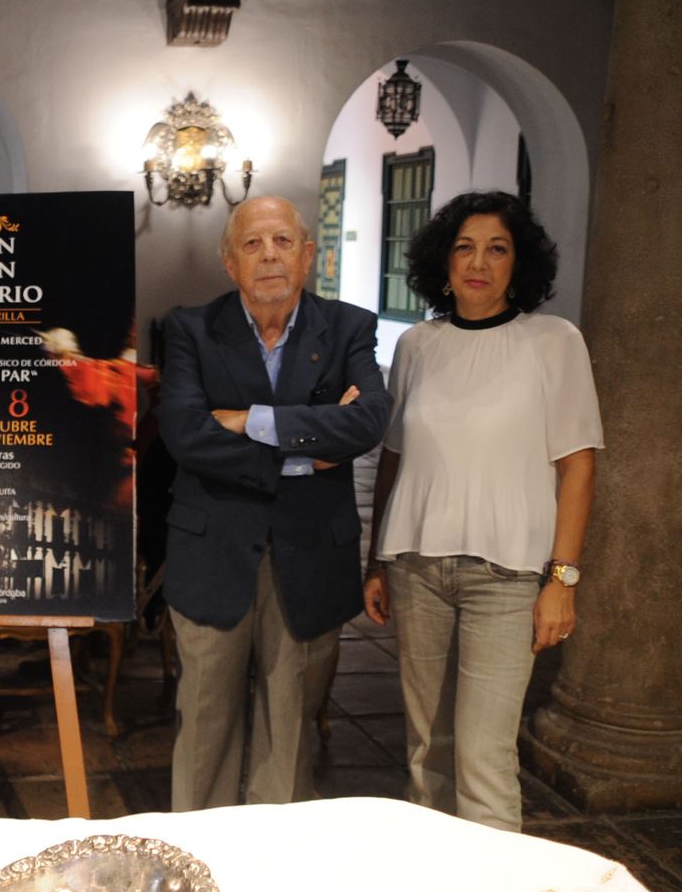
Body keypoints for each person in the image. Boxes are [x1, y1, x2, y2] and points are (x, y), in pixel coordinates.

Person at [363, 191, 600, 833]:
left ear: (518, 264)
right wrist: (377, 561)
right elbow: (394, 459)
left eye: (497, 249)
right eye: (464, 247)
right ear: (442, 262)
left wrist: (563, 580)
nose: (478, 263)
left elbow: (578, 466)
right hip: (418, 569)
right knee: (427, 753)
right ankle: (433, 886)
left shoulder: (553, 341)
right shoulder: (417, 345)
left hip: (509, 579)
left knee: (484, 758)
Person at [158, 196, 390, 811]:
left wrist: (248, 420)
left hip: (310, 555)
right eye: (253, 243)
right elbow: (183, 433)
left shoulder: (348, 328)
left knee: (288, 736)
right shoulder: (189, 329)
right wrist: (307, 449)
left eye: (283, 241)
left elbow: (368, 421)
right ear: (229, 262)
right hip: (212, 552)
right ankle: (196, 857)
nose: (269, 255)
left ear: (307, 255)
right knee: (203, 729)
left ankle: (274, 865)